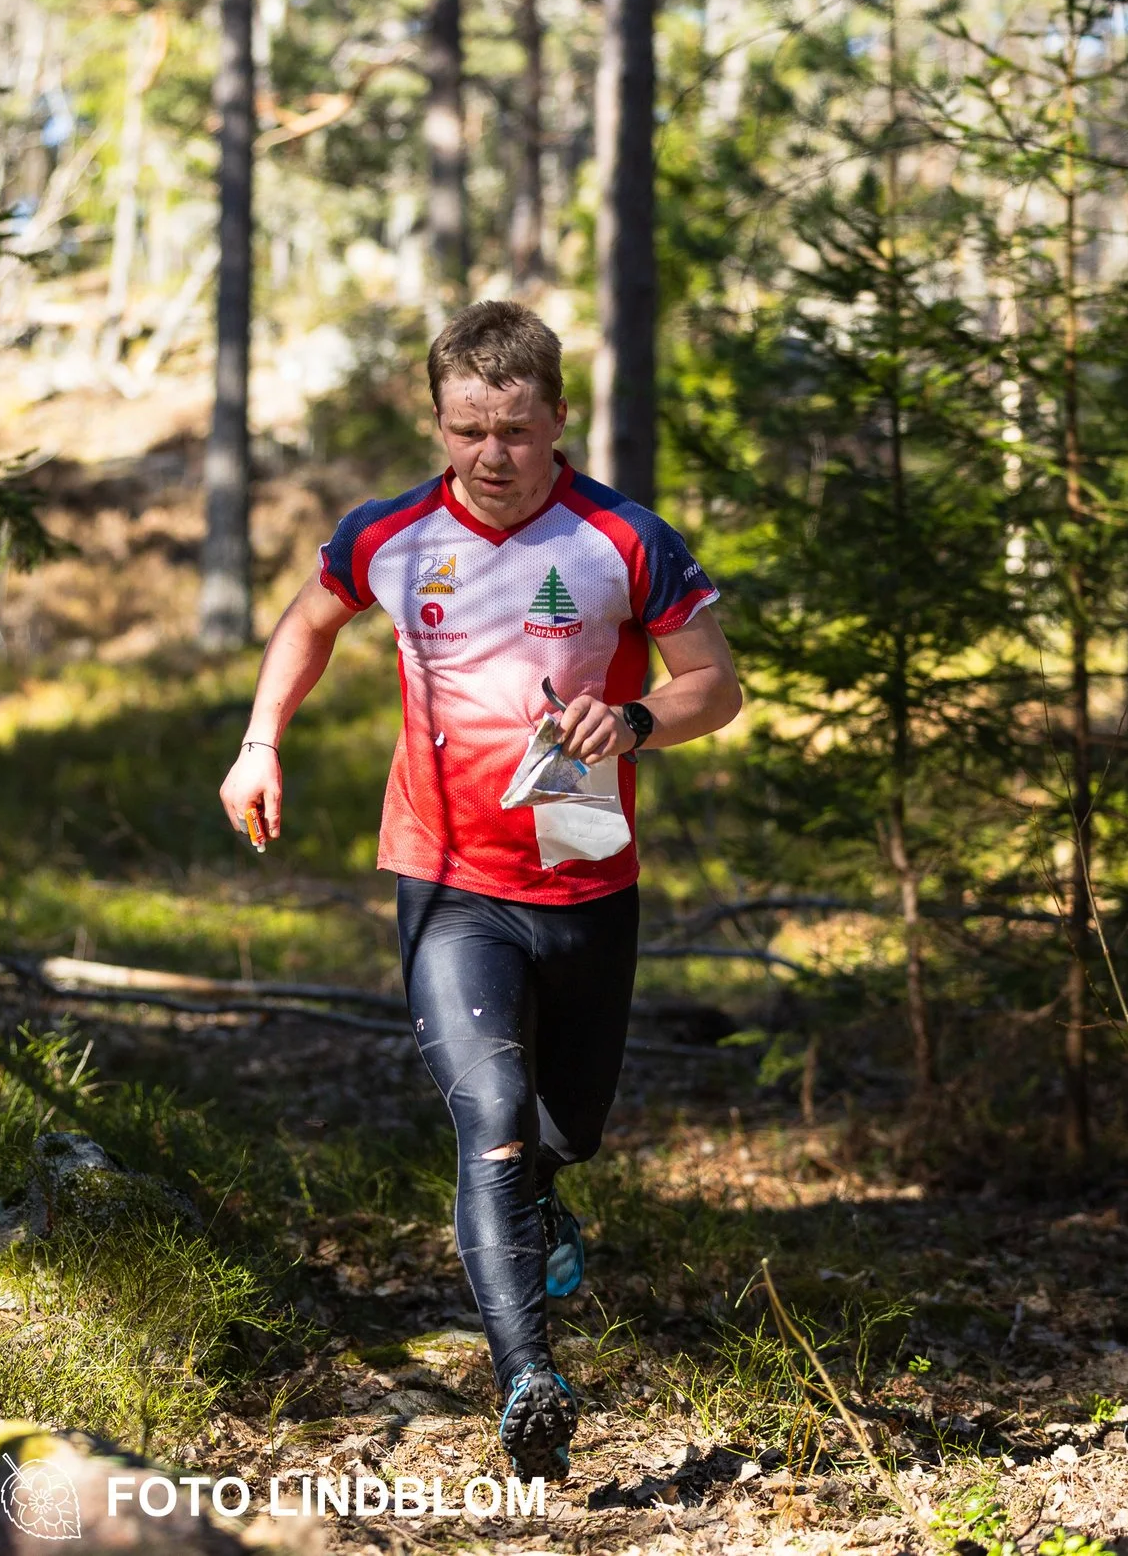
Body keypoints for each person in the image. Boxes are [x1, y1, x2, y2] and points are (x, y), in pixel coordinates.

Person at [216, 301, 743, 1482]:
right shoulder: (390, 533)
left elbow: (717, 683)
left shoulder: (623, 538)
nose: (491, 455)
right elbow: (309, 620)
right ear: (437, 421)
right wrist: (260, 741)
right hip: (447, 877)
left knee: (564, 1130)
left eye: (513, 428)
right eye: (466, 429)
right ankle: (528, 1380)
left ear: (557, 417)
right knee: (491, 1118)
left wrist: (637, 718)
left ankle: (546, 1196)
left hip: (587, 875)